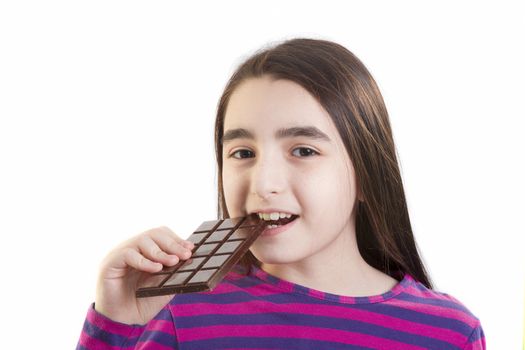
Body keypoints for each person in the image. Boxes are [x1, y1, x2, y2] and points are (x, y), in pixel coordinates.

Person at [77, 38, 486, 349]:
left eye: (303, 150)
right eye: (243, 153)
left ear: (366, 172)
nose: (263, 182)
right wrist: (116, 323)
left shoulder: (448, 332)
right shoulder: (178, 313)